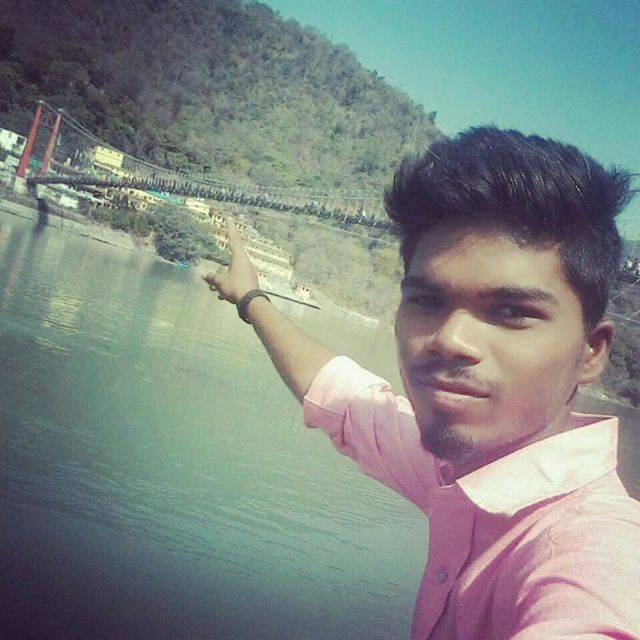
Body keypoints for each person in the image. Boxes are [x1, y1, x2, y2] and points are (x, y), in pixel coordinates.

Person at [203, 126, 640, 639]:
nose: (450, 339)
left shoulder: (595, 550)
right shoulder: (458, 467)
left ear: (591, 352)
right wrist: (250, 299)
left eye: (512, 311)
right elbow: (340, 394)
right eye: (428, 301)